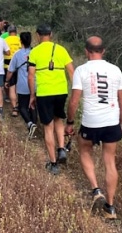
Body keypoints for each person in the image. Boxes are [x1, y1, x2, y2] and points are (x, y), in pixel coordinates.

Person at [66, 36, 122, 219]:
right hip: (111, 120)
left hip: (90, 121)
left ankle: (96, 189)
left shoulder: (81, 70)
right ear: (103, 51)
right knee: (109, 161)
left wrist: (70, 122)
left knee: (85, 150)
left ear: (86, 51)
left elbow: (74, 101)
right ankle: (110, 206)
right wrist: (120, 122)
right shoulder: (115, 70)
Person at [28, 24, 74, 175]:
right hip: (61, 91)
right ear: (51, 34)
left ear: (38, 35)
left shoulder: (34, 52)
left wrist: (32, 95)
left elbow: (31, 75)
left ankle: (53, 163)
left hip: (44, 92)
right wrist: (75, 91)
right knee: (59, 119)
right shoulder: (61, 49)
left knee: (48, 126)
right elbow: (71, 71)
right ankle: (61, 148)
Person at [6, 32, 37, 137]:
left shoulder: (17, 54)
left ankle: (30, 123)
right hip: (36, 84)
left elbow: (10, 70)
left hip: (23, 84)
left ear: (21, 41)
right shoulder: (35, 52)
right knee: (32, 105)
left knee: (23, 106)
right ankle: (34, 126)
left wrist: (7, 81)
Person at [3, 25, 21, 114]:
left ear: (8, 32)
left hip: (8, 66)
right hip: (19, 66)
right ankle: (20, 103)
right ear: (16, 32)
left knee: (11, 86)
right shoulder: (20, 40)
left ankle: (14, 108)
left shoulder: (5, 40)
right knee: (19, 86)